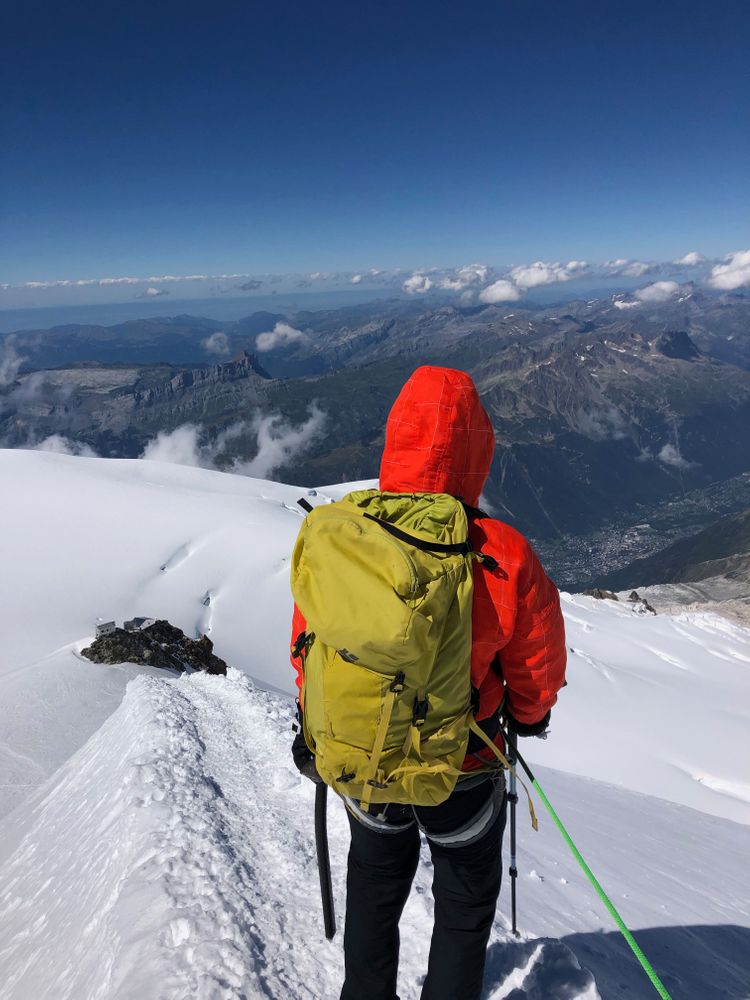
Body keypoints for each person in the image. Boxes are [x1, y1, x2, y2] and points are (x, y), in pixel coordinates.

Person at [290, 365, 567, 1000]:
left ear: (395, 439)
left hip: (367, 757)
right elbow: (535, 662)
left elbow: (308, 646)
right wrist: (529, 717)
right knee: (465, 909)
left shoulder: (344, 537)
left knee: (376, 888)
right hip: (465, 762)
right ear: (479, 448)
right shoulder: (502, 551)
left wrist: (315, 727)